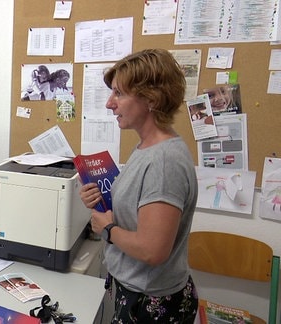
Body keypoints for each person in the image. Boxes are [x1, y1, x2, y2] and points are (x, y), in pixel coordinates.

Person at [78, 49, 199, 323]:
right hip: (136, 291)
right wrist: (102, 200)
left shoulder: (164, 161)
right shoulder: (147, 147)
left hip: (151, 303)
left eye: (119, 93)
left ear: (151, 99)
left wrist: (107, 229)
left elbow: (152, 250)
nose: (110, 103)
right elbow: (139, 212)